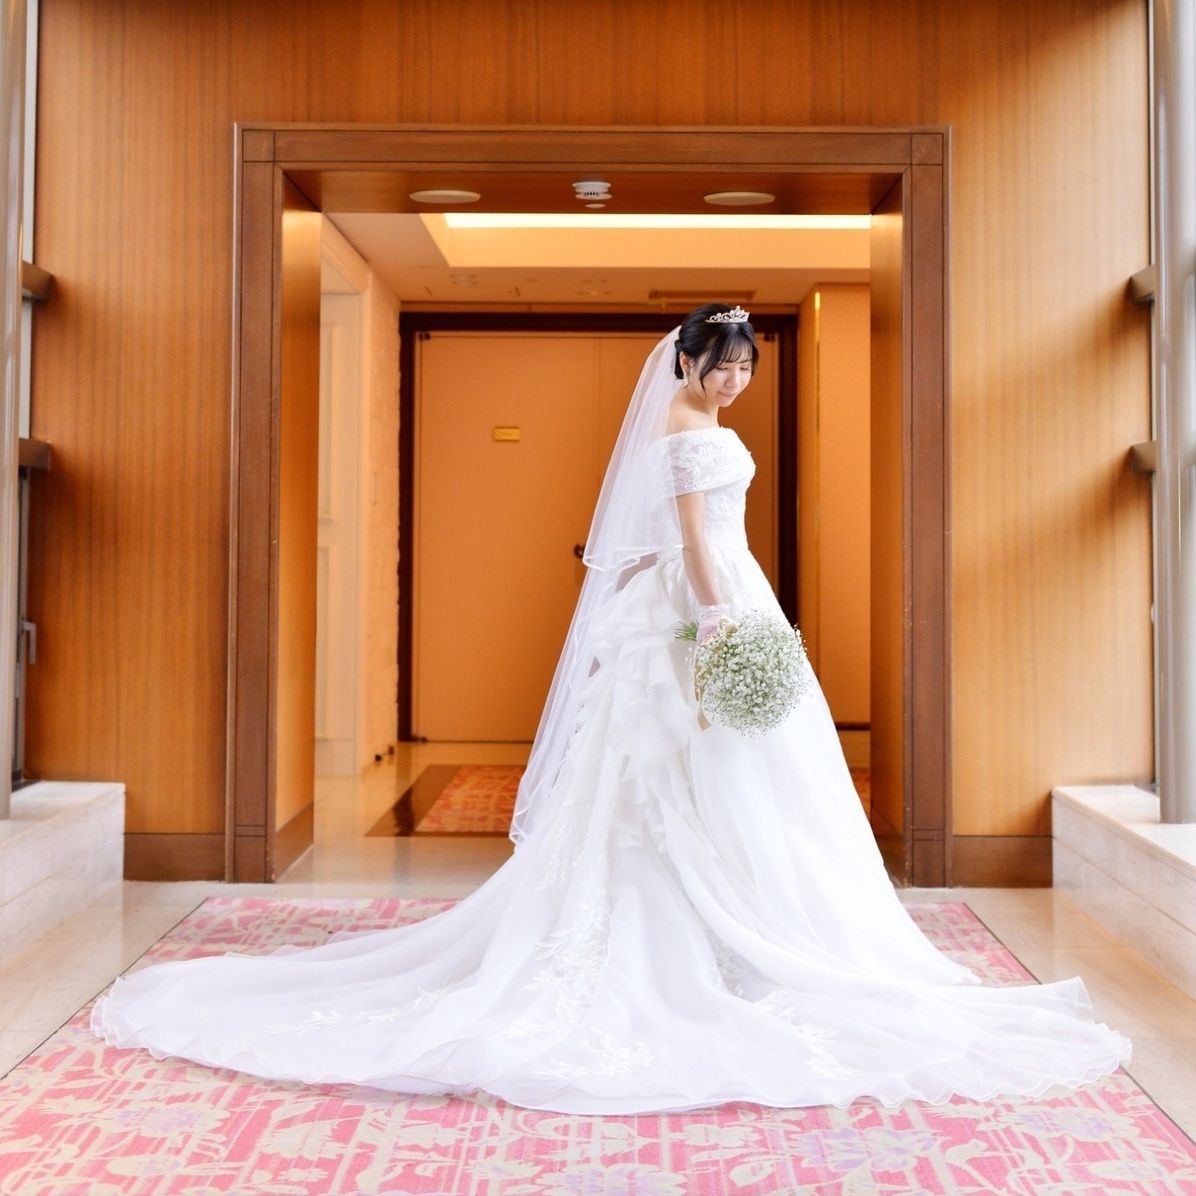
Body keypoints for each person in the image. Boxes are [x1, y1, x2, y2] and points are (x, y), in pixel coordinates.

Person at [91, 303, 1131, 1114]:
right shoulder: (686, 432)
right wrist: (717, 624)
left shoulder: (702, 423)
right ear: (687, 361)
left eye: (745, 366)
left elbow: (670, 544)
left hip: (717, 592)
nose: (733, 378)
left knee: (722, 774)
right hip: (709, 598)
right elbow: (693, 541)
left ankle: (750, 923)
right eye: (720, 363)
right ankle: (698, 936)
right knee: (676, 773)